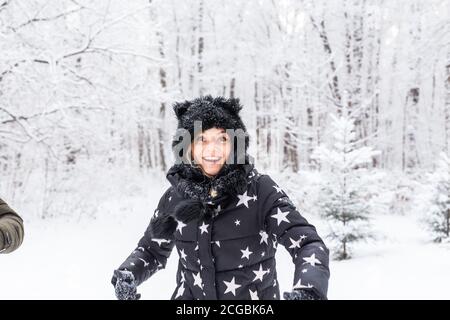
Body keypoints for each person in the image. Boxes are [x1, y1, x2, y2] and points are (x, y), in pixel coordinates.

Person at [111, 95, 330, 300]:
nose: (213, 150)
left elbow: (307, 243)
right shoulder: (176, 196)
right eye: (202, 140)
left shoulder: (260, 190)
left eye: (222, 139)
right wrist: (127, 274)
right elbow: (151, 250)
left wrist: (309, 290)